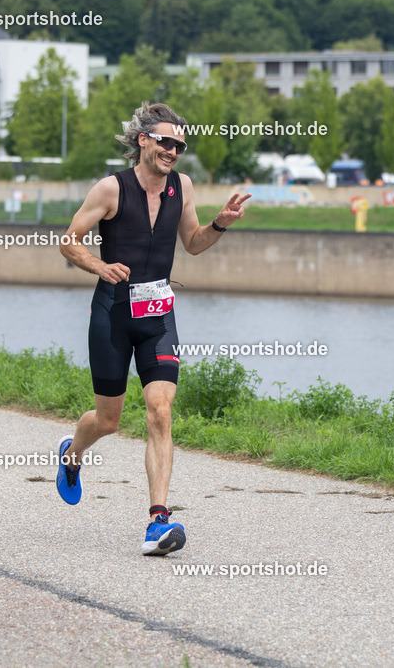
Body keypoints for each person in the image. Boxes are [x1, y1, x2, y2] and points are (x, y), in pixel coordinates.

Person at [56, 102, 250, 556]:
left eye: (179, 145)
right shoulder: (110, 189)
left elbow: (194, 243)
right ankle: (72, 453)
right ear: (143, 140)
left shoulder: (181, 187)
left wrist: (221, 222)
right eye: (165, 141)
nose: (173, 151)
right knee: (109, 419)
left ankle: (157, 522)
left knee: (160, 410)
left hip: (158, 315)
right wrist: (99, 266)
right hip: (112, 314)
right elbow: (68, 241)